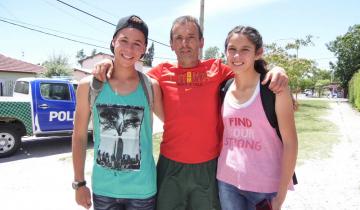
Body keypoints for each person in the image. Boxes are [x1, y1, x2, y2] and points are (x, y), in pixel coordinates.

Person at [93, 15, 288, 210]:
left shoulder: (218, 69)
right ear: (171, 44)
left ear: (201, 42)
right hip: (170, 166)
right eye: (178, 38)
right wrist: (109, 63)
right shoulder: (159, 74)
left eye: (191, 37)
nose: (184, 43)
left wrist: (276, 69)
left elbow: (249, 72)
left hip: (208, 167)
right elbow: (127, 73)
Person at [72, 15, 163, 210]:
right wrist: (79, 183)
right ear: (113, 42)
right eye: (124, 41)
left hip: (143, 191)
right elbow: (79, 136)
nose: (129, 49)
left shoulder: (151, 87)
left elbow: (175, 124)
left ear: (145, 49)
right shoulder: (89, 86)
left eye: (137, 43)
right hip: (104, 190)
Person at [216, 25, 298, 210]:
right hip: (227, 182)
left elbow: (290, 143)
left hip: (265, 188)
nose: (237, 56)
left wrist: (280, 196)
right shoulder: (224, 88)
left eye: (245, 49)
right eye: (232, 50)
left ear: (258, 53)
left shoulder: (274, 88)